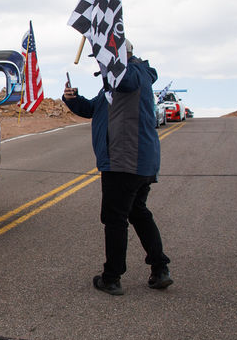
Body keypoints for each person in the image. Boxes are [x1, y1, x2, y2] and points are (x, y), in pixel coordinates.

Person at [62, 40, 172, 296]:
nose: (98, 61)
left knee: (115, 219)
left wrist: (112, 57)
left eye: (101, 55)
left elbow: (126, 79)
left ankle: (112, 277)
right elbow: (94, 110)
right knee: (138, 213)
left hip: (125, 161)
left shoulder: (129, 74)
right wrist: (73, 100)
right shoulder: (114, 84)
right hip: (137, 160)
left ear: (118, 55)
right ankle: (160, 269)